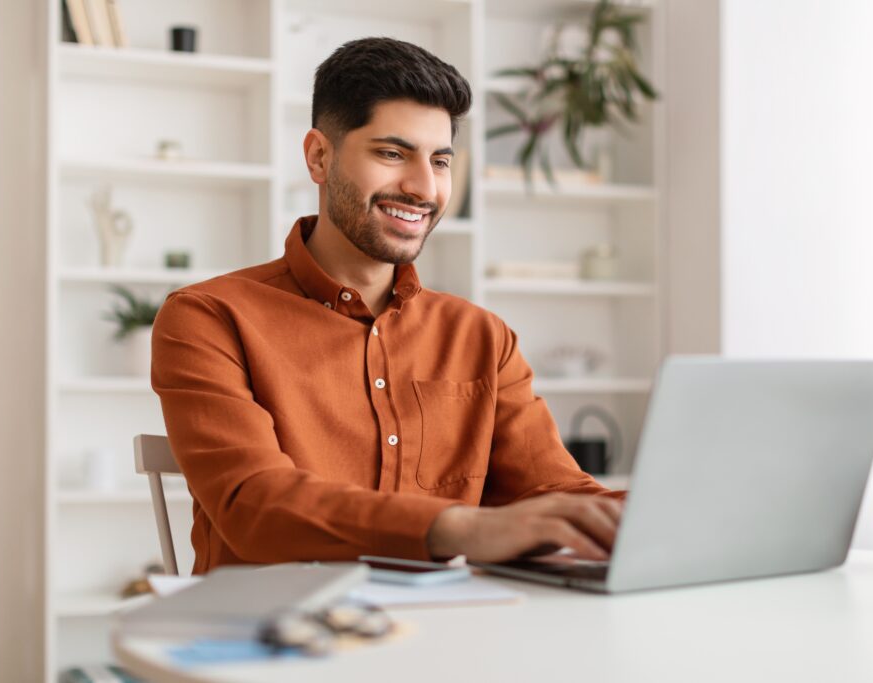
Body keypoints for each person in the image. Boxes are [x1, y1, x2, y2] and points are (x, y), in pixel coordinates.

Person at [151, 37, 625, 575]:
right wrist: (463, 528)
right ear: (318, 156)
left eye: (440, 161)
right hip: (268, 643)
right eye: (392, 153)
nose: (424, 188)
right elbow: (256, 505)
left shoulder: (483, 338)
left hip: (443, 633)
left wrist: (678, 516)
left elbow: (555, 492)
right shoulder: (208, 317)